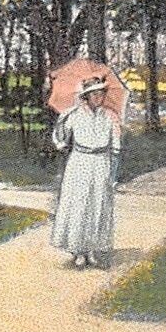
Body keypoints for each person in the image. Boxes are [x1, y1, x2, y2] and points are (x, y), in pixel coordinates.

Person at [50, 77, 122, 268]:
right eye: (94, 94)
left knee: (97, 204)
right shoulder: (72, 115)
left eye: (101, 94)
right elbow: (59, 136)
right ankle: (77, 250)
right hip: (80, 161)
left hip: (101, 162)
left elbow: (115, 147)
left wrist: (113, 173)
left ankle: (91, 249)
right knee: (79, 203)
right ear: (86, 96)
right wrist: (62, 144)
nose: (99, 98)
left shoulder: (110, 117)